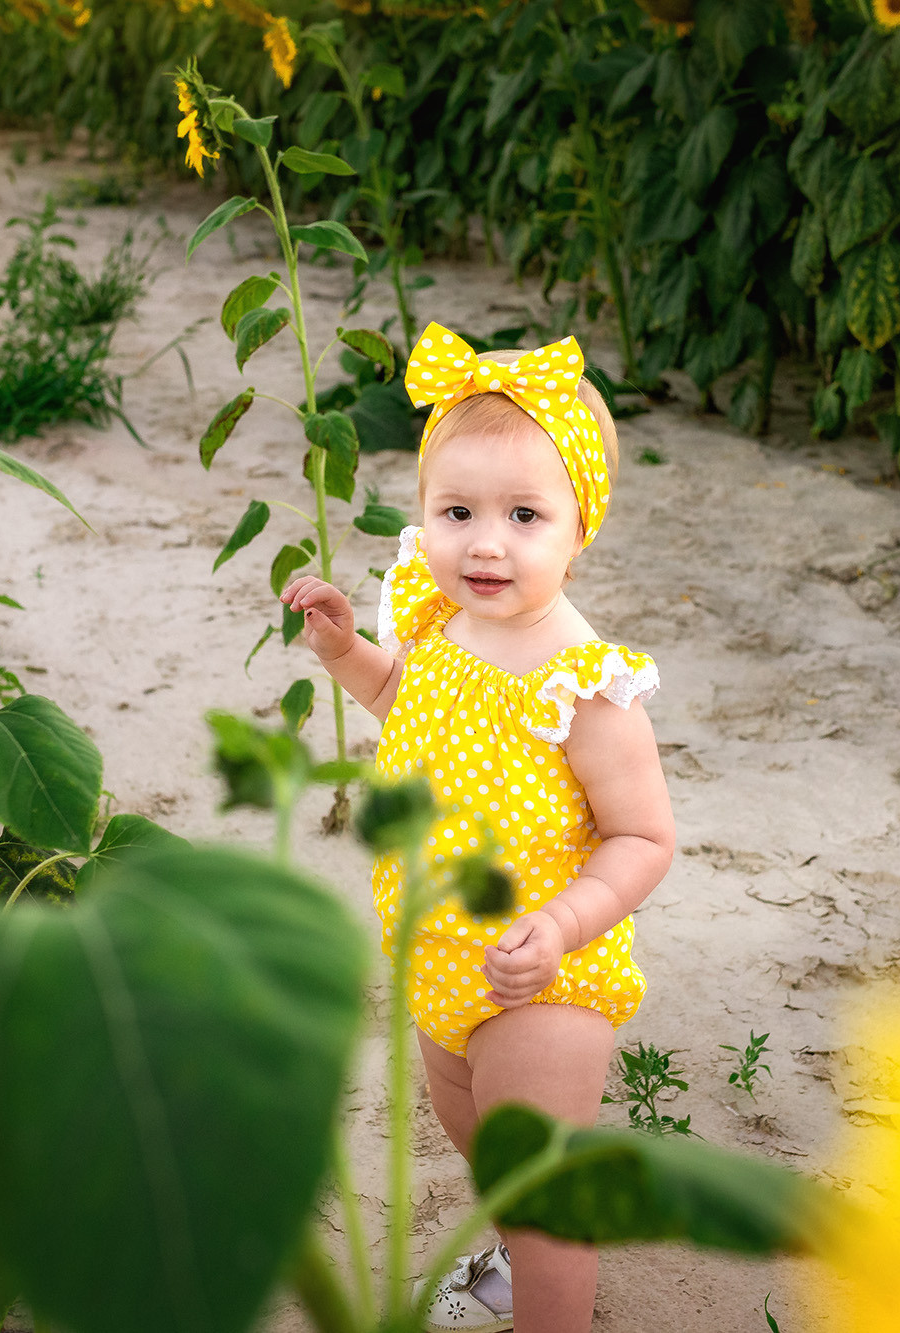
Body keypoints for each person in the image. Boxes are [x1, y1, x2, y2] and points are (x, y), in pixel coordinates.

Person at [281, 323, 675, 1333]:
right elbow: (409, 704)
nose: (484, 542)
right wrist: (346, 653)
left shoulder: (583, 686)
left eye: (524, 515)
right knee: (473, 1134)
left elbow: (642, 838)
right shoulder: (441, 623)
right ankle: (512, 1263)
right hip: (441, 954)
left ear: (580, 527)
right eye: (456, 511)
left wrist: (563, 925)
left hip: (544, 971)